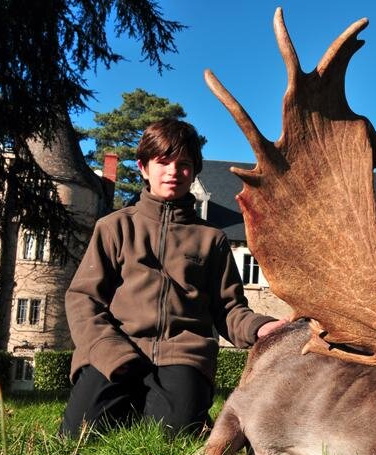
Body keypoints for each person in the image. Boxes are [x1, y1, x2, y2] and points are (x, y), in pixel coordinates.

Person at [60, 118, 286, 437]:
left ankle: (180, 405)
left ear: (194, 171)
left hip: (182, 355)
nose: (172, 172)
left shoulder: (211, 239)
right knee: (79, 434)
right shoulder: (114, 228)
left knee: (173, 435)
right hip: (115, 348)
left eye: (183, 164)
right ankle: (129, 397)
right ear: (143, 167)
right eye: (163, 162)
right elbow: (83, 299)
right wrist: (109, 349)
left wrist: (260, 327)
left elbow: (228, 309)